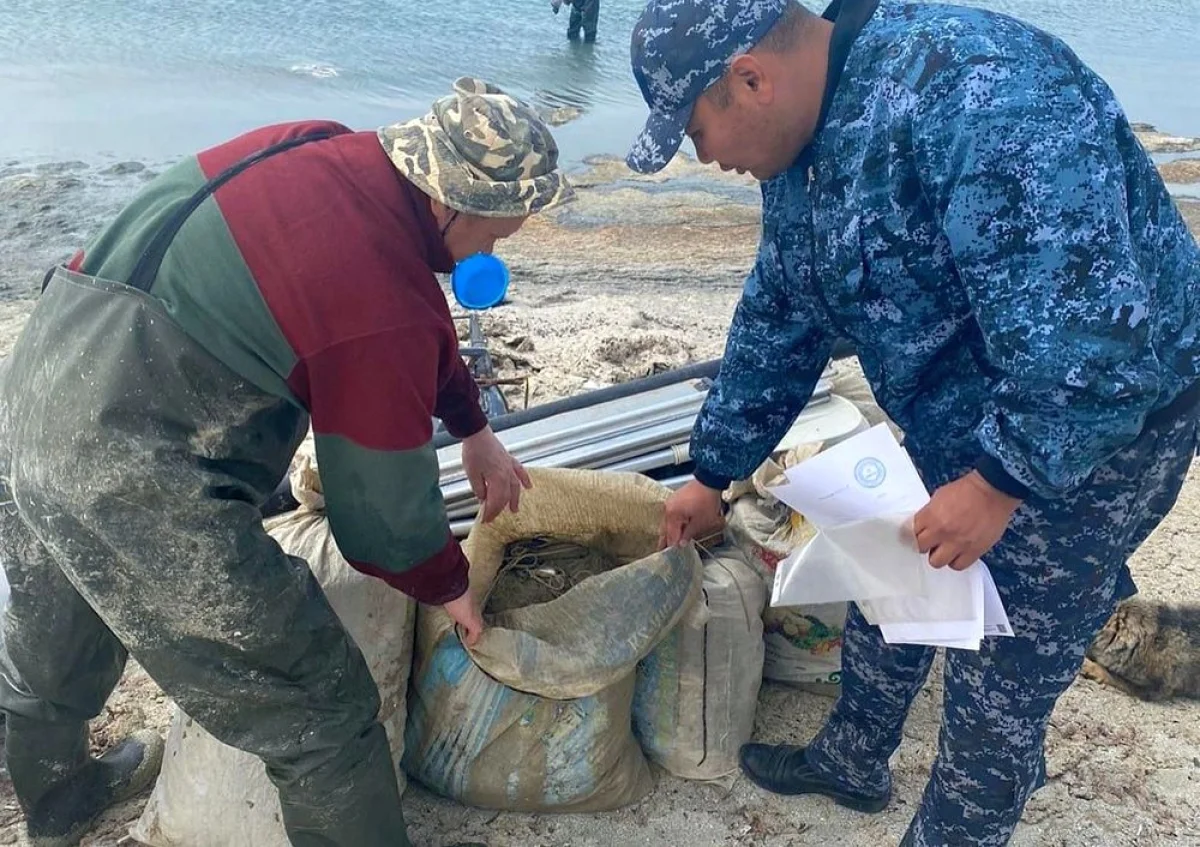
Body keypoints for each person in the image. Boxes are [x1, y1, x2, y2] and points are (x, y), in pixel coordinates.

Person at [626, 0, 1200, 845]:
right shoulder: (802, 141)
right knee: (895, 573)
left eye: (695, 129)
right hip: (964, 410)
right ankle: (853, 761)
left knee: (997, 678)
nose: (703, 157)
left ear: (751, 79)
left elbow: (1093, 347)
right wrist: (713, 473)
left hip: (1098, 432)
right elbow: (782, 315)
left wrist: (1000, 482)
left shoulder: (984, 95)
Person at [0, 77, 573, 847]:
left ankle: (60, 800)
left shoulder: (323, 143)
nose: (501, 244)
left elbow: (403, 307)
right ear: (452, 201)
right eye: (502, 231)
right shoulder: (383, 300)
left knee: (53, 635)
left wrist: (473, 426)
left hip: (43, 375)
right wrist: (449, 584)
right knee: (321, 709)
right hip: (128, 459)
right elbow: (378, 521)